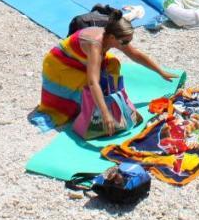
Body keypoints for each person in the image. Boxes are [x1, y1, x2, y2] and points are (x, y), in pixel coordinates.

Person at [36, 12, 177, 134]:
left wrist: (160, 72)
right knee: (87, 85)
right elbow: (93, 82)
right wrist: (105, 113)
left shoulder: (113, 36)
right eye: (125, 41)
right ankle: (90, 107)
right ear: (112, 38)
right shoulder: (95, 45)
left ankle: (103, 100)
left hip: (80, 58)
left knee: (113, 64)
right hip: (61, 65)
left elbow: (135, 54)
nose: (127, 44)